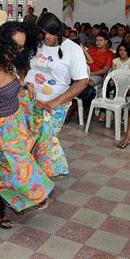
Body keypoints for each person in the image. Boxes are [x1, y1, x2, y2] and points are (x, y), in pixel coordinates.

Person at [0, 21, 53, 229]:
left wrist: (27, 87)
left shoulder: (9, 63)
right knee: (11, 170)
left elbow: (12, 85)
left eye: (21, 46)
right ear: (2, 44)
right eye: (14, 46)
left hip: (14, 124)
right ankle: (24, 198)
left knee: (4, 171)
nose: (18, 50)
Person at [22, 13, 88, 177]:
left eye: (47, 35)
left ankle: (41, 177)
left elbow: (82, 81)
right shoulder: (36, 44)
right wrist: (25, 83)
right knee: (28, 136)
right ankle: (47, 168)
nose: (44, 38)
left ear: (58, 32)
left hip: (56, 102)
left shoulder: (72, 49)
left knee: (45, 138)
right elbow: (24, 67)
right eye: (41, 34)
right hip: (29, 98)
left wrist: (55, 101)